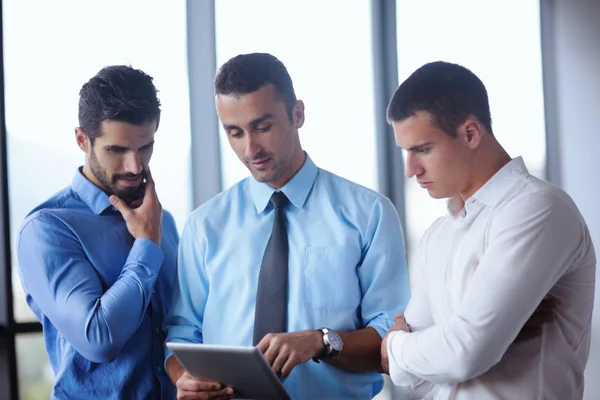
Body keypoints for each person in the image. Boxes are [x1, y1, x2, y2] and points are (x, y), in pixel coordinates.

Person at [163, 52, 409, 399]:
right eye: (235, 133)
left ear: (298, 114)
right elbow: (181, 337)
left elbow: (392, 343)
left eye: (263, 127)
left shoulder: (368, 215)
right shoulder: (204, 226)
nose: (251, 149)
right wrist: (184, 378)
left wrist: (322, 341)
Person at [381, 61, 596, 399]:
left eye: (422, 149)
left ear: (470, 133)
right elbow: (414, 380)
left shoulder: (538, 208)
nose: (411, 170)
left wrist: (395, 342)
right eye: (406, 152)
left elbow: (465, 352)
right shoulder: (437, 236)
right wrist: (450, 341)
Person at [17, 65, 179, 399]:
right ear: (82, 140)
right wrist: (147, 244)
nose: (135, 166)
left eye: (145, 147)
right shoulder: (47, 230)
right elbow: (99, 339)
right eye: (117, 150)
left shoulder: (165, 222)